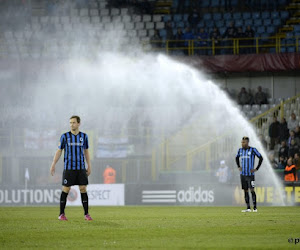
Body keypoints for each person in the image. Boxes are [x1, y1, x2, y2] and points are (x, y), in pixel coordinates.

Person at [50, 115, 92, 221]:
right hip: (69, 168)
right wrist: (53, 163)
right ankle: (61, 214)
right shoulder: (64, 136)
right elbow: (59, 150)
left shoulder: (84, 136)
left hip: (81, 168)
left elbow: (86, 151)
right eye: (70, 123)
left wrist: (89, 165)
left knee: (83, 188)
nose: (71, 124)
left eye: (73, 122)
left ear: (78, 123)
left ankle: (86, 214)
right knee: (66, 189)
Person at [236, 136, 263, 212]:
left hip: (250, 175)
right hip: (243, 175)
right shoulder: (240, 150)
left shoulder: (253, 150)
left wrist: (256, 169)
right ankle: (248, 208)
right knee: (245, 190)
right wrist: (238, 166)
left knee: (252, 190)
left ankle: (255, 208)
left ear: (247, 142)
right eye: (241, 142)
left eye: (243, 142)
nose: (242, 143)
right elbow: (236, 158)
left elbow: (261, 158)